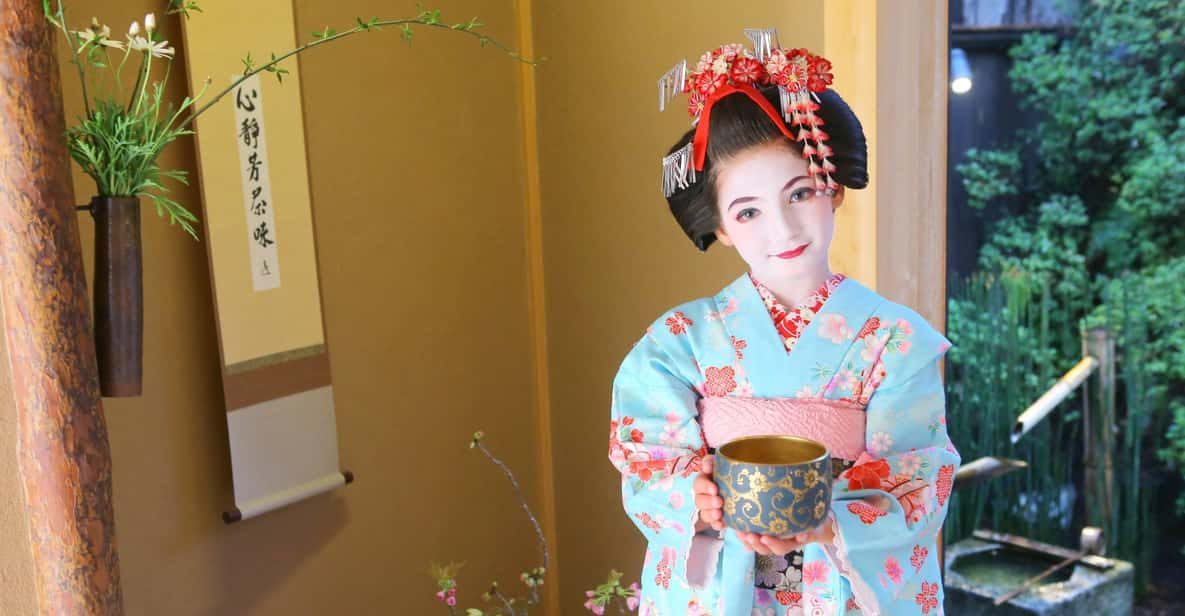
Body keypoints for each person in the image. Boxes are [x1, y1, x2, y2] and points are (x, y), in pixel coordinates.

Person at [608, 36, 961, 616]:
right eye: (748, 211)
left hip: (837, 583)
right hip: (723, 581)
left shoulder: (895, 342)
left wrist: (830, 521)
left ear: (834, 188)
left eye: (800, 193)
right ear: (721, 226)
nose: (783, 228)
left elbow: (915, 477)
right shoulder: (678, 342)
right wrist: (693, 498)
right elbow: (645, 454)